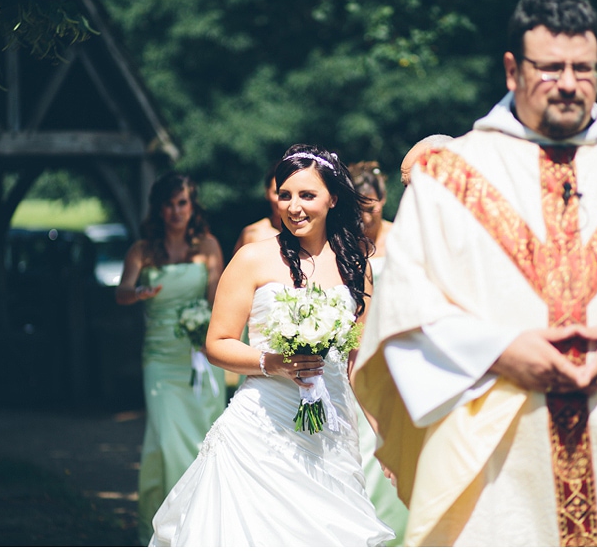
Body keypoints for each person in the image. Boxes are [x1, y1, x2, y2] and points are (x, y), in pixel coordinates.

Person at [353, 0, 597, 547]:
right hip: (499, 455)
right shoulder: (448, 180)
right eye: (551, 68)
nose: (569, 83)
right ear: (513, 70)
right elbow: (404, 300)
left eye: (583, 68)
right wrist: (498, 350)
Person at [149, 145, 394, 546]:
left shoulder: (355, 265)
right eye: (285, 195)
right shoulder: (252, 259)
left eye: (307, 195)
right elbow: (217, 343)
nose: (294, 207)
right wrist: (275, 361)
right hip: (260, 426)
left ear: (333, 198)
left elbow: (357, 361)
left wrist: (385, 437)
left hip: (329, 430)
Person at [115, 172, 227, 545]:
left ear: (192, 206)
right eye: (169, 204)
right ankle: (166, 522)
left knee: (204, 434)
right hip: (160, 359)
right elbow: (122, 293)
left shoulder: (208, 245)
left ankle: (205, 520)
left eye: (182, 203)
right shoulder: (143, 250)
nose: (176, 211)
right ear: (159, 209)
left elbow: (217, 299)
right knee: (164, 440)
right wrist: (141, 292)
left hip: (198, 353)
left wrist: (207, 330)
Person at [347, 160, 408, 545]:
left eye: (369, 208)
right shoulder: (345, 245)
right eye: (357, 209)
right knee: (366, 449)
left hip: (397, 353)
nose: (364, 217)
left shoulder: (402, 239)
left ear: (384, 200)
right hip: (357, 351)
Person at [232, 161, 283, 254]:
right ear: (267, 193)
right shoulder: (253, 233)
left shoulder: (309, 235)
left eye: (286, 194)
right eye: (276, 192)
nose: (281, 199)